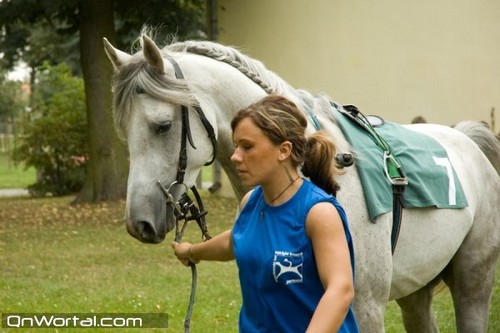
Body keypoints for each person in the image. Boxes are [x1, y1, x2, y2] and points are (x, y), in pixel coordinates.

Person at [172, 95, 359, 332]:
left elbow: (340, 290)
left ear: (284, 150)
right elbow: (236, 239)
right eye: (237, 145)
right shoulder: (251, 202)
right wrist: (191, 251)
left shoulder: (318, 212)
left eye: (247, 146)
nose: (235, 156)